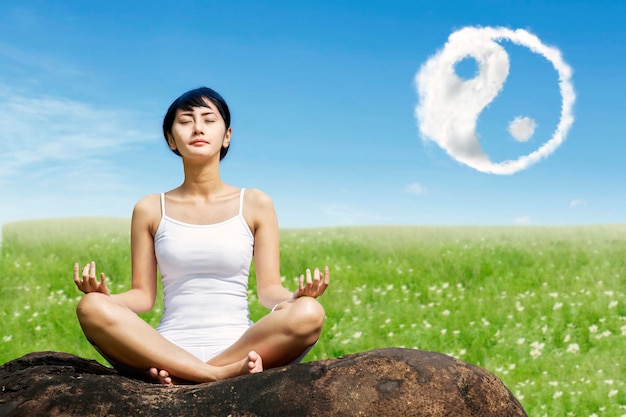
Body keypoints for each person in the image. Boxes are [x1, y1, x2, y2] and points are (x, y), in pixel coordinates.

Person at [73, 86, 330, 385]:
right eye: (185, 121)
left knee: (310, 313)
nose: (198, 128)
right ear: (171, 139)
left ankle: (189, 375)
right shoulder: (150, 208)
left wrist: (296, 297)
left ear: (227, 136)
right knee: (90, 306)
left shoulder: (256, 203)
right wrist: (107, 297)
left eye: (209, 119)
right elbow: (143, 297)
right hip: (168, 345)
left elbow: (268, 291)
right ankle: (213, 375)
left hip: (241, 345)